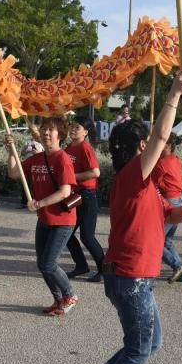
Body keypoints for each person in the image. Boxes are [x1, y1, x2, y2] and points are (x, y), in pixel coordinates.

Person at [75, 72, 182, 364]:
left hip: (136, 277)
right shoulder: (133, 175)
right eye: (149, 143)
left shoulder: (149, 185)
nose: (157, 146)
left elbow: (169, 216)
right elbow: (163, 135)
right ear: (140, 146)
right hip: (130, 277)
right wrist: (175, 91)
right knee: (140, 347)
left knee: (150, 342)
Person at [6, 117, 79, 316]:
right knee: (42, 264)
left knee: (48, 263)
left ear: (60, 135)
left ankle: (70, 294)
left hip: (63, 221)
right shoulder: (38, 158)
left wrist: (39, 203)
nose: (46, 133)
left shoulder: (62, 159)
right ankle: (58, 300)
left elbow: (65, 192)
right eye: (44, 129)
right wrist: (11, 149)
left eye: (51, 130)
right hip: (45, 219)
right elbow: (14, 173)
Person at [64, 115, 106, 282]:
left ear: (86, 132)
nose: (73, 130)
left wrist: (72, 177)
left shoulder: (85, 148)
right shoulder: (69, 147)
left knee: (87, 236)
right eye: (72, 126)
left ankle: (104, 270)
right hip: (75, 195)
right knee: (66, 232)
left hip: (87, 195)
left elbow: (95, 172)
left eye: (77, 127)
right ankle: (81, 266)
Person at [152, 134, 182, 283]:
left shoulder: (161, 164)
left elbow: (153, 183)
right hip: (180, 199)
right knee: (168, 241)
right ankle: (181, 273)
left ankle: (177, 265)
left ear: (167, 146)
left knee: (155, 241)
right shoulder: (176, 159)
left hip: (170, 200)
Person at [17, 120, 44, 209]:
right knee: (25, 184)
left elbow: (47, 153)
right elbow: (21, 153)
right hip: (28, 165)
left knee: (35, 184)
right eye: (32, 132)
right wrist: (26, 149)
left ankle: (37, 202)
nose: (33, 134)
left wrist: (38, 152)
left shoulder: (43, 141)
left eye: (35, 132)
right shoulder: (28, 141)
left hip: (39, 167)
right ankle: (24, 202)